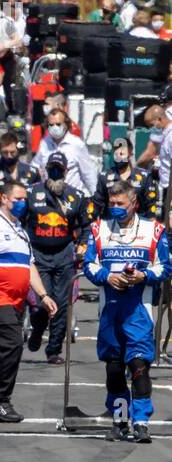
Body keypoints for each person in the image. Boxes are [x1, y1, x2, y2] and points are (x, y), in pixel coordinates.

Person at [83, 180, 170, 443]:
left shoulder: (154, 230)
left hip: (138, 309)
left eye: (121, 203)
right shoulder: (98, 229)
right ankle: (120, 421)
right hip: (109, 309)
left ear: (134, 203)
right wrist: (108, 277)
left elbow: (164, 267)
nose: (115, 208)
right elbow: (89, 264)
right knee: (114, 368)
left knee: (139, 366)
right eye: (112, 204)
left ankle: (141, 422)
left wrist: (142, 275)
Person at [0, 181, 57, 424]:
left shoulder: (20, 230)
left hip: (15, 302)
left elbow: (29, 267)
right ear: (3, 199)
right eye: (17, 198)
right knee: (12, 343)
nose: (22, 203)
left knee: (3, 350)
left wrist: (43, 295)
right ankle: (0, 401)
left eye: (24, 199)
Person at [24, 153, 92, 367]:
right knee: (42, 303)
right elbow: (20, 221)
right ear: (45, 169)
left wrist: (82, 246)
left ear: (66, 171)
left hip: (64, 255)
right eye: (52, 168)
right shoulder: (31, 193)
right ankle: (37, 329)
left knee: (62, 305)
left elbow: (86, 226)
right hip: (39, 254)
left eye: (59, 169)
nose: (55, 172)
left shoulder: (77, 196)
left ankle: (53, 350)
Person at [32, 107, 98, 195]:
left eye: (58, 124)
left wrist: (96, 198)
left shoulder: (77, 144)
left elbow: (88, 174)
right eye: (51, 125)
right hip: (48, 197)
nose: (55, 127)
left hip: (71, 198)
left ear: (66, 124)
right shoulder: (45, 143)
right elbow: (34, 167)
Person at [94, 137, 160, 220]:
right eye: (116, 154)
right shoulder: (105, 176)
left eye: (122, 154)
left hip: (139, 225)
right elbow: (97, 204)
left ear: (130, 154)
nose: (118, 157)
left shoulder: (144, 177)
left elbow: (151, 206)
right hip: (111, 225)